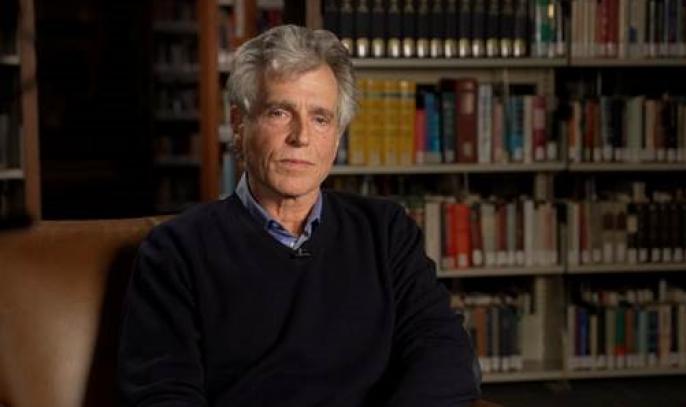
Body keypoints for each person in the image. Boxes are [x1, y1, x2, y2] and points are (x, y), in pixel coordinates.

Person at [118, 24, 479, 407]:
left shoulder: (387, 233)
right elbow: (163, 395)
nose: (301, 136)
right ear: (239, 124)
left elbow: (445, 355)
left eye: (321, 118)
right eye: (280, 112)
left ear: (337, 137)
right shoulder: (176, 251)